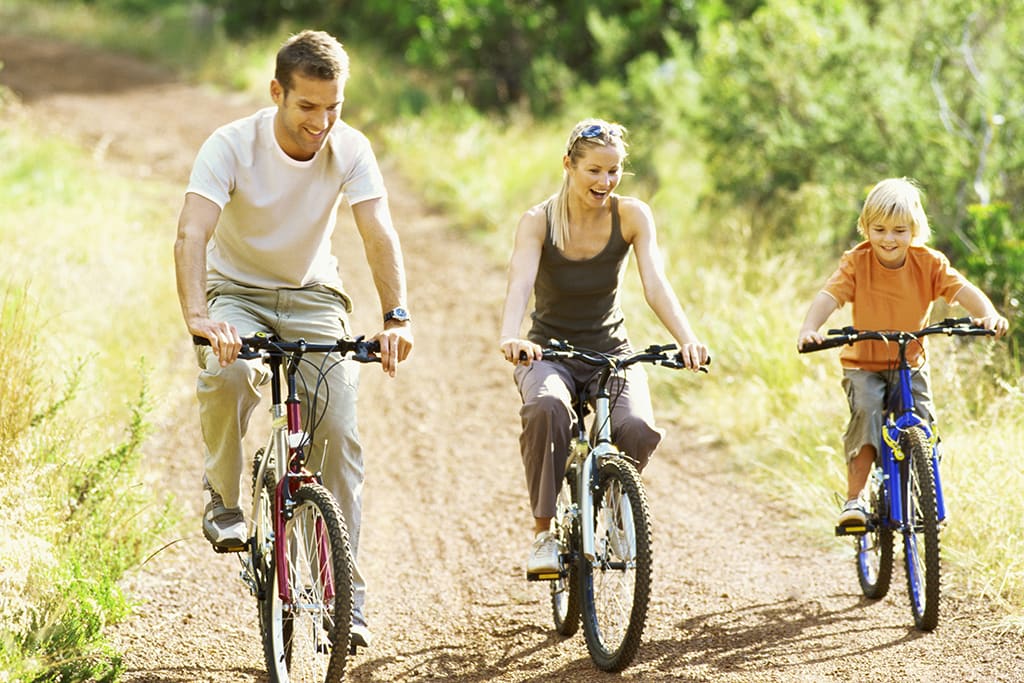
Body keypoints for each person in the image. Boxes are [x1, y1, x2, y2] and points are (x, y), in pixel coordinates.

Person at [173, 29, 413, 647]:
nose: (322, 121)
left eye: (333, 106)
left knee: (338, 430)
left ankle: (347, 595)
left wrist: (396, 316)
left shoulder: (350, 147)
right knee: (225, 373)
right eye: (307, 106)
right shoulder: (230, 145)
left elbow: (377, 232)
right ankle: (224, 499)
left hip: (313, 295)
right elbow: (191, 234)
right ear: (277, 92)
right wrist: (200, 318)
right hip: (237, 294)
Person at [499, 118, 710, 579]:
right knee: (547, 409)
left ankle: (614, 502)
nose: (605, 181)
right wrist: (510, 336)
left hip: (611, 350)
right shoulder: (538, 221)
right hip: (546, 353)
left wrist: (687, 338)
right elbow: (519, 282)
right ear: (568, 166)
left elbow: (655, 283)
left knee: (635, 425)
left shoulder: (632, 215)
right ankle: (544, 534)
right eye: (594, 170)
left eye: (614, 171)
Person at [796, 177, 1007, 527]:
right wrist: (809, 329)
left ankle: (926, 492)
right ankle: (856, 500)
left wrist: (987, 314)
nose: (888, 239)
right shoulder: (857, 262)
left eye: (899, 230)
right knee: (866, 416)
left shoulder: (929, 262)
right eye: (879, 229)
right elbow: (829, 296)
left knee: (925, 427)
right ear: (865, 227)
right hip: (863, 364)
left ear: (915, 230)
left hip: (909, 363)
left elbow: (964, 291)